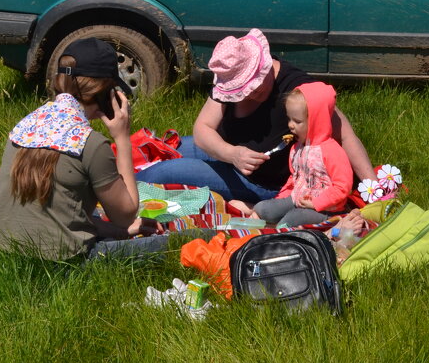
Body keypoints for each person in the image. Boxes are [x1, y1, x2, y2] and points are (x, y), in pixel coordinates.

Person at [0, 38, 207, 260]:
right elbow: (125, 215)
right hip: (67, 260)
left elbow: (59, 208)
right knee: (197, 238)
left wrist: (121, 233)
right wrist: (122, 138)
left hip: (7, 250)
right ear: (105, 93)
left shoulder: (24, 127)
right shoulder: (91, 144)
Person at [134, 29, 375, 203]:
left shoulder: (297, 89)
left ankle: (118, 192)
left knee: (163, 172)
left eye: (253, 90)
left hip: (263, 182)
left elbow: (343, 132)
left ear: (265, 67)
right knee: (160, 148)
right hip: (229, 153)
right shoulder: (232, 69)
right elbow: (202, 130)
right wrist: (232, 154)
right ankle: (106, 169)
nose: (246, 97)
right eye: (240, 92)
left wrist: (373, 187)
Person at [252, 83, 353, 227]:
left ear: (316, 120)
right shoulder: (297, 148)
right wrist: (280, 200)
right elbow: (295, 178)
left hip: (325, 209)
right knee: (264, 208)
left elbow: (343, 186)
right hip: (297, 198)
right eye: (289, 119)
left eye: (297, 121)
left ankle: (277, 231)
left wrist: (316, 203)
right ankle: (267, 223)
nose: (291, 125)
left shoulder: (331, 151)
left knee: (293, 218)